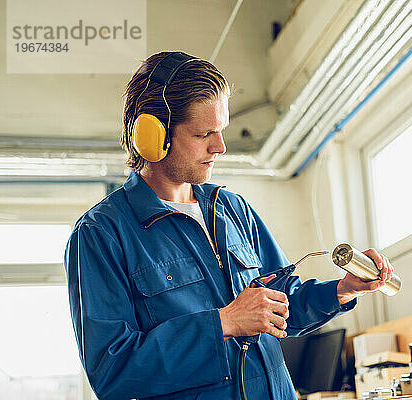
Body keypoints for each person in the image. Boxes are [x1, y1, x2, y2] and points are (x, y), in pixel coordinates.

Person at [64, 51, 395, 400]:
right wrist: (223, 323)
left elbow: (283, 309)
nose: (220, 146)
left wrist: (343, 289)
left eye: (220, 130)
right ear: (152, 134)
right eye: (204, 133)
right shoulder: (102, 234)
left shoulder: (232, 210)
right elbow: (113, 371)